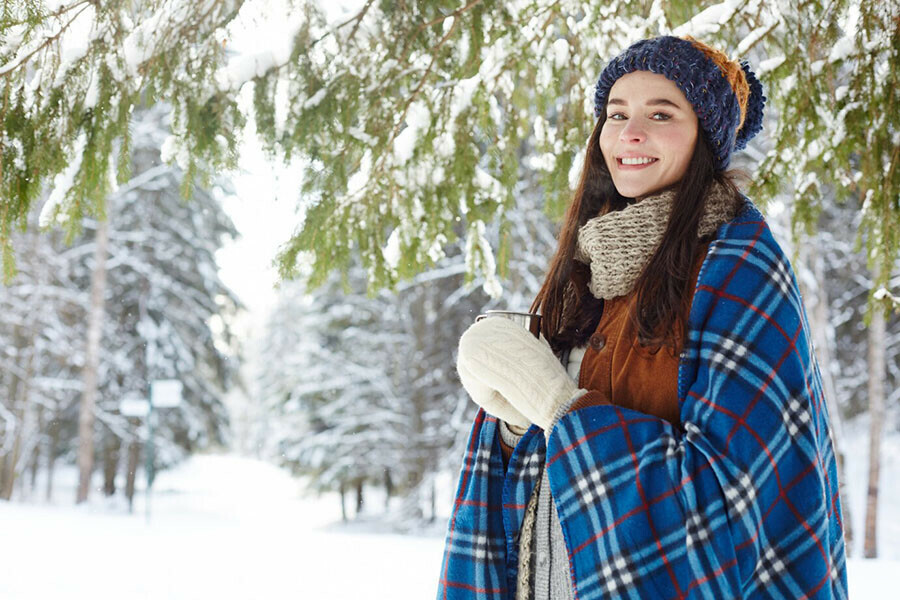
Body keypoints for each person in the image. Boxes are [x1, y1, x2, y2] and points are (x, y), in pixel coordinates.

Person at [438, 35, 848, 599]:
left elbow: (731, 508)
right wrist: (514, 421)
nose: (631, 133)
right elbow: (538, 471)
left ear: (704, 135)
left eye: (661, 113)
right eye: (617, 113)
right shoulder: (589, 266)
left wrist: (560, 409)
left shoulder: (738, 269)